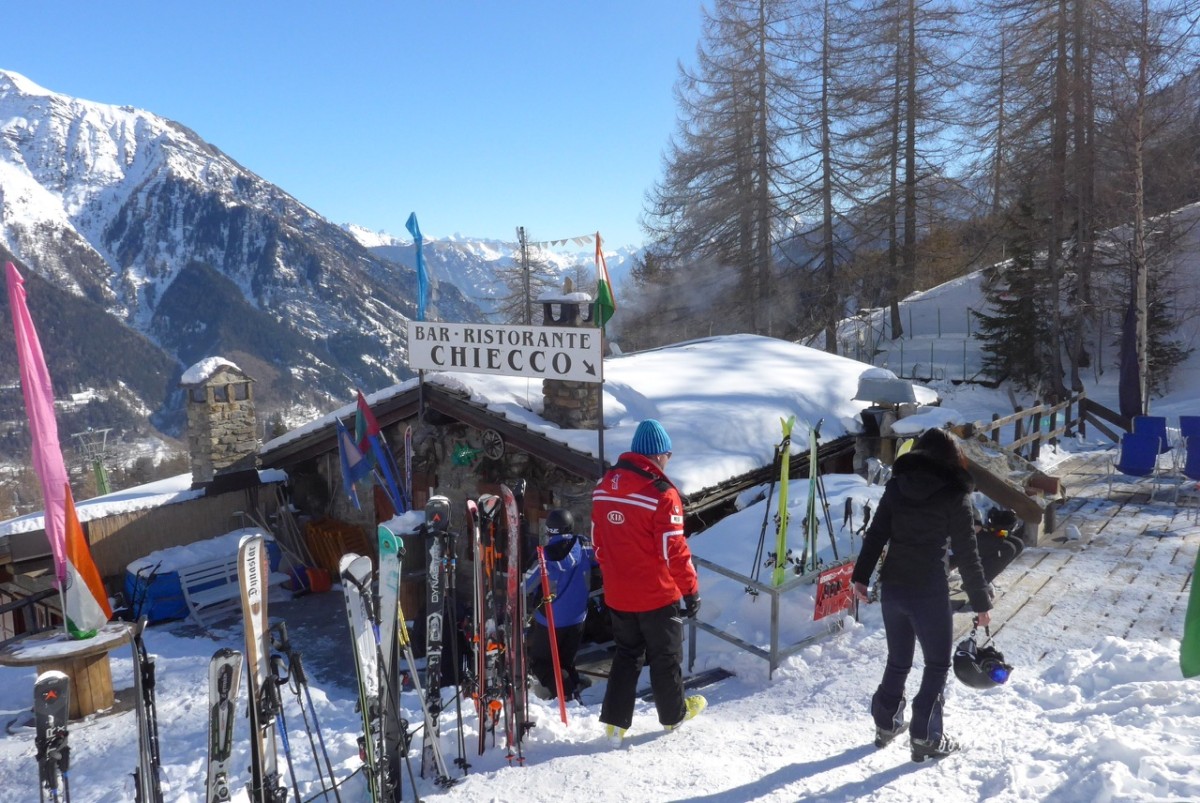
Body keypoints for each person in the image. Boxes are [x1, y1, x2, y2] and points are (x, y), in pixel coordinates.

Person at [851, 427, 992, 763]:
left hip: (894, 589)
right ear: (951, 458)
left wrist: (860, 577)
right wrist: (982, 602)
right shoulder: (956, 495)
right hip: (929, 591)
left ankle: (886, 723)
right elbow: (968, 555)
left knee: (898, 660)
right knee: (937, 664)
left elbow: (876, 535)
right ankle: (925, 737)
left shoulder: (896, 486)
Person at [593, 419, 704, 743]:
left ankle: (615, 724)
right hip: (656, 593)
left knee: (627, 654)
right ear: (658, 456)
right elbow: (674, 550)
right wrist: (691, 590)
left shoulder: (604, 486)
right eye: (668, 455)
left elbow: (598, 541)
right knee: (666, 655)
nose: (668, 461)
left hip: (618, 593)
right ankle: (673, 716)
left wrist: (614, 575)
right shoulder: (662, 494)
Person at [524, 508, 596, 701]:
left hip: (550, 621)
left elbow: (524, 586)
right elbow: (603, 559)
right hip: (578, 618)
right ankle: (573, 693)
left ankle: (567, 697)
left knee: (542, 663)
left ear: (549, 531)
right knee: (566, 662)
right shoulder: (584, 548)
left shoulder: (543, 557)